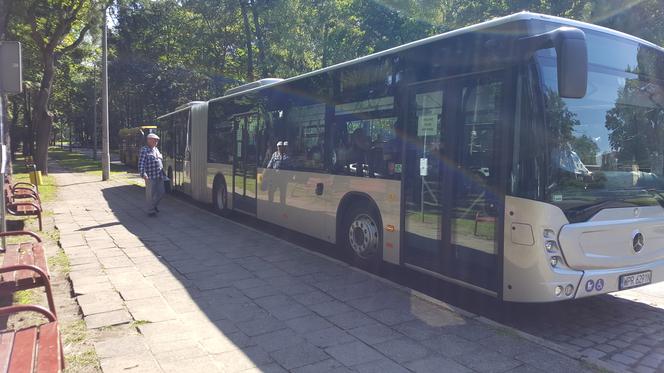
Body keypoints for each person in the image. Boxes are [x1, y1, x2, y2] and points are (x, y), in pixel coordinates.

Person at [138, 133, 166, 216]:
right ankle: (151, 211)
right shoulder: (144, 150)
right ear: (149, 140)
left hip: (159, 175)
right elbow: (141, 163)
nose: (156, 142)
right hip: (150, 176)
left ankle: (153, 206)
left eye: (157, 140)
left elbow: (159, 160)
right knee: (150, 194)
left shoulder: (156, 149)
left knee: (161, 192)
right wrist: (143, 173)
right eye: (155, 140)